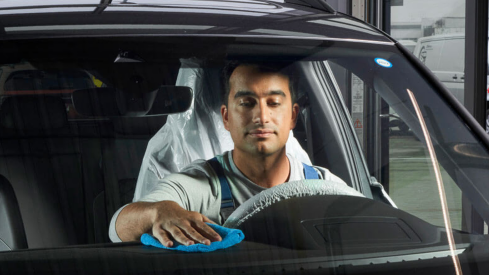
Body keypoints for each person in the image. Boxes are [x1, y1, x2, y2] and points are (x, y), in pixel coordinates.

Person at [109, 61, 343, 247]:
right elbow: (118, 227)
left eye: (273, 103)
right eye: (246, 103)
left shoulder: (324, 186)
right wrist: (158, 212)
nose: (261, 116)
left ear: (293, 116)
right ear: (226, 117)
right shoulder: (199, 185)